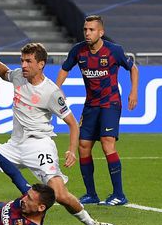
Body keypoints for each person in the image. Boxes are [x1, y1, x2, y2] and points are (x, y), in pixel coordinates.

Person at [0, 43, 115, 225]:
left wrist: (72, 150)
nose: (23, 65)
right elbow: (4, 73)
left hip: (39, 147)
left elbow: (72, 123)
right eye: (22, 60)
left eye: (28, 61)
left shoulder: (51, 92)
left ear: (41, 64)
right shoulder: (19, 77)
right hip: (13, 146)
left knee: (59, 194)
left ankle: (91, 223)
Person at [56, 15, 138, 206]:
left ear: (101, 32)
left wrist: (133, 92)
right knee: (83, 146)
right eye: (85, 29)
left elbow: (133, 68)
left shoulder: (113, 50)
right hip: (91, 105)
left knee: (107, 143)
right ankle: (91, 194)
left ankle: (119, 194)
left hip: (110, 103)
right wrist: (57, 87)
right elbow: (64, 69)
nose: (87, 33)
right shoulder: (78, 50)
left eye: (91, 30)